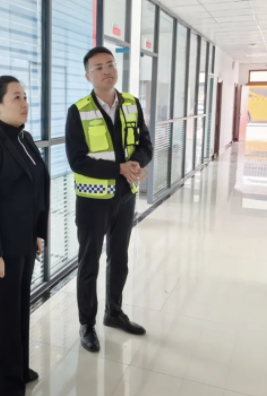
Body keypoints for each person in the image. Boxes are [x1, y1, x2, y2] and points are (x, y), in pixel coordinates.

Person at [65, 47, 153, 353]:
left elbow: (145, 144)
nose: (107, 71)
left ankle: (113, 312)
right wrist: (119, 168)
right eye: (99, 67)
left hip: (125, 197)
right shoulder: (78, 111)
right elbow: (77, 160)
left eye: (110, 64)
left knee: (120, 258)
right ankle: (86, 324)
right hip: (92, 201)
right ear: (88, 76)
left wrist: (136, 163)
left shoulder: (131, 104)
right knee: (89, 263)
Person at [0, 76, 50, 396]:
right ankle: (4, 386)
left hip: (24, 243)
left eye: (25, 96)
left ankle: (18, 369)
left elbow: (36, 189)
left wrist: (38, 233)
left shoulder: (25, 139)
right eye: (16, 97)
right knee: (1, 320)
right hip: (0, 250)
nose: (24, 103)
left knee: (18, 312)